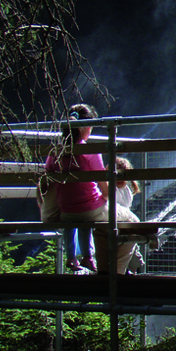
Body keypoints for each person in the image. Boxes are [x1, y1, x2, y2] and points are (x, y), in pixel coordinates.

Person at [45, 103, 102, 272]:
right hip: (87, 208)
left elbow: (48, 172)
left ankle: (70, 257)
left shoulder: (56, 150)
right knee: (86, 217)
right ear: (84, 127)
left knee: (70, 218)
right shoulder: (90, 150)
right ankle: (87, 257)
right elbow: (101, 177)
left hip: (66, 208)